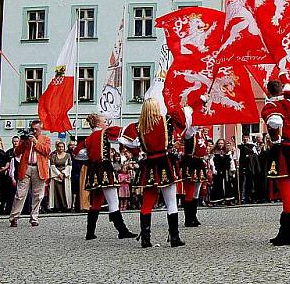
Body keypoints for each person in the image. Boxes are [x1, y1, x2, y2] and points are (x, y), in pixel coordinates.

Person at [120, 99, 184, 248]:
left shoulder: (137, 126)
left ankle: (145, 239)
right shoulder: (166, 120)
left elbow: (124, 140)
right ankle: (174, 237)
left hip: (148, 164)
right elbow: (184, 119)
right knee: (171, 202)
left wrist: (137, 153)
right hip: (165, 162)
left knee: (147, 202)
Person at [75, 113, 136, 241]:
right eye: (104, 121)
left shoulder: (88, 139)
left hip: (93, 170)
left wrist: (91, 158)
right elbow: (122, 135)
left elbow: (78, 154)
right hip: (105, 169)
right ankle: (122, 230)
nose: (106, 123)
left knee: (96, 201)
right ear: (98, 124)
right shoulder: (105, 133)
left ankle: (90, 232)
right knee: (113, 201)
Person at [262, 75, 290, 246]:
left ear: (268, 90)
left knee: (286, 191)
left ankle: (289, 233)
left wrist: (275, 133)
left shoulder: (271, 105)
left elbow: (274, 121)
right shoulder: (289, 103)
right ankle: (286, 231)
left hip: (280, 149)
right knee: (287, 189)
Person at [7, 120, 51, 226]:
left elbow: (47, 151)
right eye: (33, 129)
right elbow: (16, 152)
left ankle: (34, 218)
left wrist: (36, 142)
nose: (34, 131)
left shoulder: (46, 139)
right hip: (26, 168)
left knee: (38, 195)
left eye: (36, 129)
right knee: (20, 194)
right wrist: (24, 142)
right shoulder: (26, 140)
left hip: (39, 169)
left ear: (41, 129)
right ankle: (14, 217)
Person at [181, 115, 208, 227]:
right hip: (190, 163)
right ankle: (188, 218)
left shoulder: (201, 133)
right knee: (190, 190)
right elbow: (187, 134)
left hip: (199, 162)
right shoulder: (189, 133)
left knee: (197, 191)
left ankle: (194, 216)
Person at [48, 141, 72, 212]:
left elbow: (69, 165)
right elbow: (52, 165)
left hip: (65, 176)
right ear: (57, 147)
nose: (61, 148)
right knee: (56, 191)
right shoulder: (54, 156)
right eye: (59, 147)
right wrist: (58, 174)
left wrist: (64, 173)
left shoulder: (68, 155)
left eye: (62, 147)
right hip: (56, 175)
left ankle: (65, 206)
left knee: (65, 191)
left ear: (64, 148)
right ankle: (56, 207)